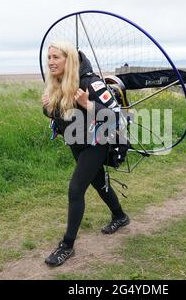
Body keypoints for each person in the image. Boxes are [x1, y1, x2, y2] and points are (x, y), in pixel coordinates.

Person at [41, 41, 130, 267]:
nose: (50, 62)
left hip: (97, 143)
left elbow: (118, 118)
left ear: (68, 59)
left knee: (76, 188)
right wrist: (48, 108)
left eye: (56, 57)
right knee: (98, 182)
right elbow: (59, 114)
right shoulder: (58, 83)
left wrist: (88, 105)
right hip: (76, 142)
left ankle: (67, 245)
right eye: (49, 57)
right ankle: (120, 216)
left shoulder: (92, 83)